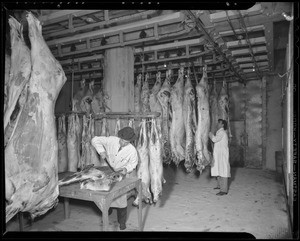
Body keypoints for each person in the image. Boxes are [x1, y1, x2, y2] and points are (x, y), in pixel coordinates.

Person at [91, 126, 139, 230]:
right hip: (107, 169)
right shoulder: (111, 140)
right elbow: (94, 140)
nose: (124, 143)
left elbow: (134, 163)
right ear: (120, 137)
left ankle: (122, 222)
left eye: (127, 142)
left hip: (120, 173)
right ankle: (107, 211)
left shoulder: (132, 150)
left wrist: (126, 169)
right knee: (105, 193)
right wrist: (101, 151)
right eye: (122, 141)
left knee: (121, 197)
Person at [208, 119, 230, 196]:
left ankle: (224, 190)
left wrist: (209, 133)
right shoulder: (219, 132)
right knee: (218, 169)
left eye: (219, 123)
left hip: (222, 155)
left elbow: (214, 139)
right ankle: (220, 186)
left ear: (222, 125)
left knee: (223, 171)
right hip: (219, 154)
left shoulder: (222, 132)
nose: (217, 124)